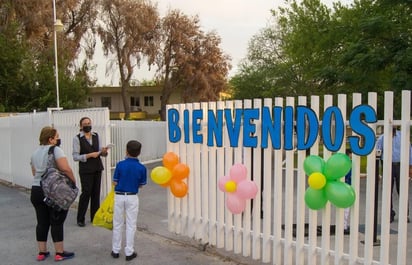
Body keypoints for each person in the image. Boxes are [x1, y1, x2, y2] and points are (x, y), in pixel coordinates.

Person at [30, 126, 76, 261]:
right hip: (52, 192)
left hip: (36, 190)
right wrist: (72, 182)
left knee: (42, 222)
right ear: (50, 139)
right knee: (56, 221)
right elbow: (65, 168)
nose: (58, 139)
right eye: (56, 137)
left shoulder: (34, 153)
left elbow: (34, 173)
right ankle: (59, 252)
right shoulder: (56, 150)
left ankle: (42, 252)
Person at [111, 140, 147, 261]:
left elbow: (115, 181)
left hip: (119, 195)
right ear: (139, 152)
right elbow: (141, 185)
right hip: (132, 196)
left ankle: (115, 250)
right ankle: (129, 251)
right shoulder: (142, 168)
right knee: (131, 224)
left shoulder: (120, 164)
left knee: (117, 223)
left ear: (126, 150)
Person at [72, 117, 109, 227]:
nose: (87, 125)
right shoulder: (77, 138)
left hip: (97, 167)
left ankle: (95, 217)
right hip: (86, 169)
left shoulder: (96, 136)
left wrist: (103, 152)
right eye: (85, 124)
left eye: (89, 123)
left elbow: (100, 152)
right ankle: (80, 218)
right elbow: (75, 156)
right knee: (86, 193)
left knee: (96, 193)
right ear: (81, 126)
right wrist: (88, 155)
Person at [376, 127, 412, 223]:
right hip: (387, 166)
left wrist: (410, 166)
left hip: (401, 165)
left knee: (403, 191)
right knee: (387, 191)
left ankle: (405, 214)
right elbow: (377, 152)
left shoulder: (403, 136)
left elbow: (409, 150)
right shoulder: (382, 138)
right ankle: (389, 214)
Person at [343, 149, 352, 234]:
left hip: (343, 187)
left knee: (345, 208)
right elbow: (351, 176)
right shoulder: (347, 166)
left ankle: (344, 225)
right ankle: (344, 226)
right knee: (346, 208)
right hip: (346, 188)